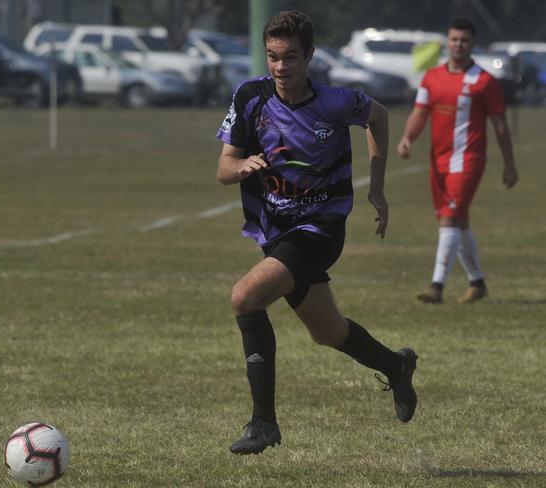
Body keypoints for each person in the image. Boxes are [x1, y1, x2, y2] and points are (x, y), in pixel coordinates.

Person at [216, 10, 418, 456]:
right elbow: (224, 168)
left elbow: (379, 117)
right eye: (272, 57)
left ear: (309, 56)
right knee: (327, 330)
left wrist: (378, 190)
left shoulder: (336, 102)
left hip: (321, 229)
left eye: (290, 57)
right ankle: (396, 365)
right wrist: (242, 166)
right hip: (277, 232)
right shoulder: (251, 97)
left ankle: (263, 424)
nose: (280, 67)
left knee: (244, 297)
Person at [397, 19, 519, 304]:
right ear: (447, 42)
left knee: (450, 219)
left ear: (472, 43)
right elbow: (419, 112)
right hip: (438, 160)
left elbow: (500, 125)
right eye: (454, 39)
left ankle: (436, 286)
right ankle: (477, 282)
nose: (458, 45)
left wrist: (509, 164)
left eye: (464, 40)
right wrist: (407, 138)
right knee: (456, 220)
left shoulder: (485, 82)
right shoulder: (432, 77)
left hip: (468, 159)